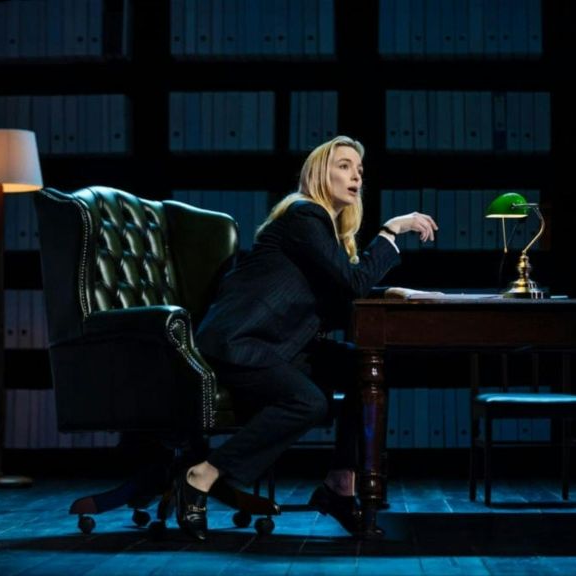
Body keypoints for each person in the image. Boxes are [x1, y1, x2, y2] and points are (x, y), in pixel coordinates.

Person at [177, 135, 438, 540]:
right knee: (309, 402)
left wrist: (390, 292)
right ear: (320, 172)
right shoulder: (305, 217)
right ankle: (204, 473)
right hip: (240, 342)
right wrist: (391, 231)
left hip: (278, 344)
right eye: (345, 166)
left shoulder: (324, 231)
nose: (356, 176)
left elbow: (339, 295)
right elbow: (352, 283)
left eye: (360, 170)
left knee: (362, 367)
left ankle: (340, 486)